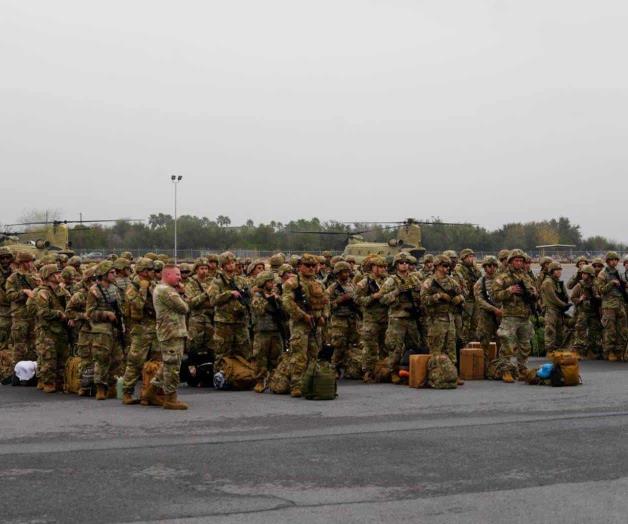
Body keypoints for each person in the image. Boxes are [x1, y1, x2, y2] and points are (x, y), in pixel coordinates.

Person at [142, 264, 190, 410]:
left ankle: (150, 393)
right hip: (171, 333)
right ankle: (170, 398)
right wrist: (182, 293)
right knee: (172, 367)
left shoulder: (164, 289)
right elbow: (184, 308)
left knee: (168, 365)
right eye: (177, 275)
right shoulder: (166, 290)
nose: (180, 277)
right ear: (167, 275)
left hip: (173, 332)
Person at [282, 254, 328, 397]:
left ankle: (310, 383)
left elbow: (327, 302)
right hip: (299, 325)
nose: (311, 268)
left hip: (316, 324)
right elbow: (287, 303)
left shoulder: (319, 284)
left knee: (314, 354)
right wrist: (303, 315)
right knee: (299, 355)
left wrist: (324, 317)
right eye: (307, 266)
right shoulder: (292, 283)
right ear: (300, 267)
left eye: (313, 266)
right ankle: (296, 385)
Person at [491, 249, 538, 381]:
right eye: (516, 260)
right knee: (507, 344)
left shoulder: (526, 276)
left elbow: (534, 293)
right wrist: (509, 291)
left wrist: (534, 294)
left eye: (521, 261)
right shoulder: (502, 277)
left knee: (525, 345)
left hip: (524, 316)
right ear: (510, 262)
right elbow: (495, 296)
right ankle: (505, 370)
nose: (519, 263)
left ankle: (522, 369)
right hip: (510, 316)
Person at [420, 255, 465, 384]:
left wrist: (459, 298)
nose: (446, 269)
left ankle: (452, 374)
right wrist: (438, 296)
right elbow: (423, 300)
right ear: (437, 266)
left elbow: (463, 294)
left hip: (449, 318)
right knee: (436, 348)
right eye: (444, 266)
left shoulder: (451, 282)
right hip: (436, 319)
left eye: (448, 266)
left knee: (451, 347)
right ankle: (435, 374)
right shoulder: (429, 282)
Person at [379, 253, 422, 381]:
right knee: (395, 347)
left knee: (413, 346)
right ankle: (392, 372)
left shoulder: (414, 279)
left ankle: (408, 369)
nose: (405, 265)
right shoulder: (391, 280)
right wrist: (397, 292)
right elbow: (382, 299)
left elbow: (421, 294)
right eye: (401, 263)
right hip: (397, 317)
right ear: (396, 265)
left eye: (406, 263)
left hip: (411, 317)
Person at [120, 258, 158, 405]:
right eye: (149, 270)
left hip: (154, 327)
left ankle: (149, 393)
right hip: (140, 329)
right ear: (142, 272)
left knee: (155, 362)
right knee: (135, 362)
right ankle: (127, 392)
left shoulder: (154, 285)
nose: (152, 273)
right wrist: (143, 290)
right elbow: (138, 305)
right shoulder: (132, 287)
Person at [86, 261, 124, 400]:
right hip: (101, 329)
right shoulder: (94, 290)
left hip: (114, 328)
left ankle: (113, 385)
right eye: (112, 272)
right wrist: (105, 314)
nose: (115, 275)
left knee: (117, 358)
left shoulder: (115, 289)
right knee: (101, 358)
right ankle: (100, 388)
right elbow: (89, 313)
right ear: (103, 275)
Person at [208, 252, 251, 372]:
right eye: (228, 263)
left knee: (244, 350)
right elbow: (213, 300)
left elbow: (249, 297)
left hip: (240, 321)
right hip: (224, 322)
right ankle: (220, 376)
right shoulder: (217, 282)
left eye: (233, 262)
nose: (231, 265)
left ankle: (243, 375)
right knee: (222, 352)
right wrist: (229, 294)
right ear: (222, 266)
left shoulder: (241, 281)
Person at [33, 264, 70, 393]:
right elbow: (42, 312)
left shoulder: (62, 291)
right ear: (49, 276)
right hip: (47, 330)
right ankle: (47, 381)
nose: (59, 275)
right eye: (56, 274)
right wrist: (59, 314)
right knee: (48, 357)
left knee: (63, 356)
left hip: (61, 329)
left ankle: (60, 381)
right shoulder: (43, 292)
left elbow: (70, 305)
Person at [355, 256, 388, 383]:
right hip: (371, 319)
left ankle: (384, 371)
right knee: (370, 347)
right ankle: (368, 371)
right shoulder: (365, 282)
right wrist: (373, 297)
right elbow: (357, 299)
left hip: (385, 317)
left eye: (384, 267)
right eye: (379, 267)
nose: (382, 269)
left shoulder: (387, 281)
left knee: (385, 346)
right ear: (372, 267)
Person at [251, 271, 285, 393]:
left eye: (272, 281)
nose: (272, 284)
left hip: (276, 330)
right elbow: (258, 309)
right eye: (269, 281)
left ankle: (274, 380)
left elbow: (285, 309)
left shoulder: (275, 295)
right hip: (262, 331)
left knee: (276, 357)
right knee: (260, 357)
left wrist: (278, 300)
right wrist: (268, 300)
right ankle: (260, 380)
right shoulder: (257, 296)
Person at [326, 261, 360, 376]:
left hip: (352, 317)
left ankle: (349, 367)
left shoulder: (352, 285)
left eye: (347, 272)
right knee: (339, 344)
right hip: (339, 319)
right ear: (338, 273)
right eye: (343, 272)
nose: (345, 274)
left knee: (352, 343)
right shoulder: (333, 287)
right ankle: (334, 366)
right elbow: (326, 304)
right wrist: (339, 301)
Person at [5, 251, 38, 365]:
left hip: (33, 315)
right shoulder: (13, 278)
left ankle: (31, 372)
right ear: (22, 263)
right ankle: (17, 373)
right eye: (28, 262)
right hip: (20, 317)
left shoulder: (35, 276)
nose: (31, 264)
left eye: (31, 261)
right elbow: (9, 296)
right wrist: (23, 292)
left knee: (34, 345)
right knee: (19, 347)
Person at [595, 251, 627, 361]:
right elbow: (600, 290)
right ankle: (609, 351)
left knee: (622, 329)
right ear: (608, 261)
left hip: (619, 304)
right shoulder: (603, 274)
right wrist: (611, 283)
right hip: (609, 306)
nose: (614, 262)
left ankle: (619, 351)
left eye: (616, 260)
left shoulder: (617, 272)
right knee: (610, 330)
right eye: (612, 260)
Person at [473, 256, 502, 374]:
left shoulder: (501, 280)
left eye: (493, 266)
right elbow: (480, 300)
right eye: (488, 266)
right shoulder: (480, 283)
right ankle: (484, 368)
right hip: (486, 316)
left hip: (500, 315)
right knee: (484, 341)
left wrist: (502, 309)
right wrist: (494, 309)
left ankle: (500, 367)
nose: (491, 269)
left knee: (502, 341)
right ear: (484, 268)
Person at [571, 265, 602, 360]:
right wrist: (580, 300)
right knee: (580, 331)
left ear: (590, 275)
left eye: (585, 274)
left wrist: (597, 298)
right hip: (583, 312)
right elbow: (572, 297)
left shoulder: (596, 285)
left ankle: (592, 352)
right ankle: (577, 352)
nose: (583, 275)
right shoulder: (579, 285)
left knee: (595, 332)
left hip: (594, 312)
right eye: (582, 273)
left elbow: (601, 295)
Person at [540, 262, 570, 355]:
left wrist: (566, 303)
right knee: (550, 330)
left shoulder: (557, 282)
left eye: (560, 270)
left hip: (558, 310)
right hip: (551, 309)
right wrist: (563, 305)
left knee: (559, 330)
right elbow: (553, 298)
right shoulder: (548, 282)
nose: (559, 272)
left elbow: (565, 295)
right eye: (557, 270)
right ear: (552, 271)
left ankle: (557, 349)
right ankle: (550, 350)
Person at [455, 248, 482, 345]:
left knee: (475, 323)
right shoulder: (459, 269)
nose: (471, 259)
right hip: (466, 300)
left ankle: (472, 343)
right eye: (469, 257)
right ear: (463, 258)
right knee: (465, 323)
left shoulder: (474, 269)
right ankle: (464, 344)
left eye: (472, 256)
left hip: (475, 299)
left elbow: (480, 279)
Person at [0, 248, 14, 352]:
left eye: (7, 258)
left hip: (13, 308)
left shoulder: (15, 273)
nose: (5, 261)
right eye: (2, 258)